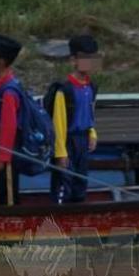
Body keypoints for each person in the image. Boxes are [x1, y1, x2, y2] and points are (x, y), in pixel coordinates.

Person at [48, 34, 101, 204]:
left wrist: (92, 133)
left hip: (83, 141)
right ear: (74, 60)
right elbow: (59, 124)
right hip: (68, 142)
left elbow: (90, 112)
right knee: (64, 185)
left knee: (80, 184)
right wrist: (61, 152)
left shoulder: (91, 87)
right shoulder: (65, 90)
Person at [0, 33, 24, 206]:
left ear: (0, 61)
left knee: (7, 197)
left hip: (7, 155)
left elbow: (9, 128)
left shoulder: (8, 92)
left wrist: (2, 158)